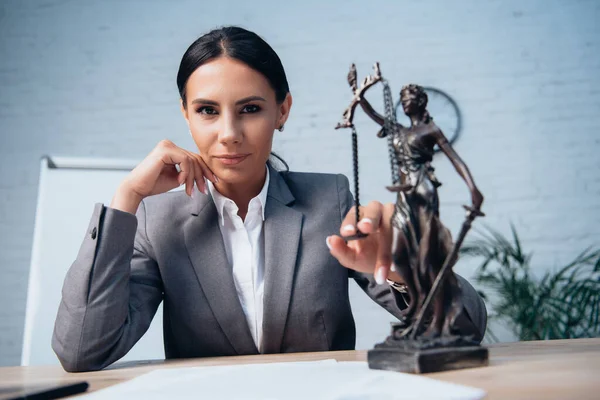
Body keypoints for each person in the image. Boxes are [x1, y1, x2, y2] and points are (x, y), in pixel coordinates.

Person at [52, 26, 487, 372]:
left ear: (282, 110)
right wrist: (126, 197)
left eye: (250, 109)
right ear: (185, 114)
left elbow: (467, 328)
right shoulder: (156, 221)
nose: (228, 134)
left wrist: (402, 270)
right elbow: (81, 351)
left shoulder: (329, 201)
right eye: (207, 110)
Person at [359, 84, 484, 338]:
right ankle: (417, 309)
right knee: (400, 255)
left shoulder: (430, 130)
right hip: (404, 195)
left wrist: (473, 190)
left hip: (423, 192)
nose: (406, 101)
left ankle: (440, 319)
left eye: (411, 97)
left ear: (422, 102)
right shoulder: (400, 130)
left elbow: (455, 159)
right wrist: (360, 96)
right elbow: (374, 116)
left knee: (426, 255)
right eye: (403, 98)